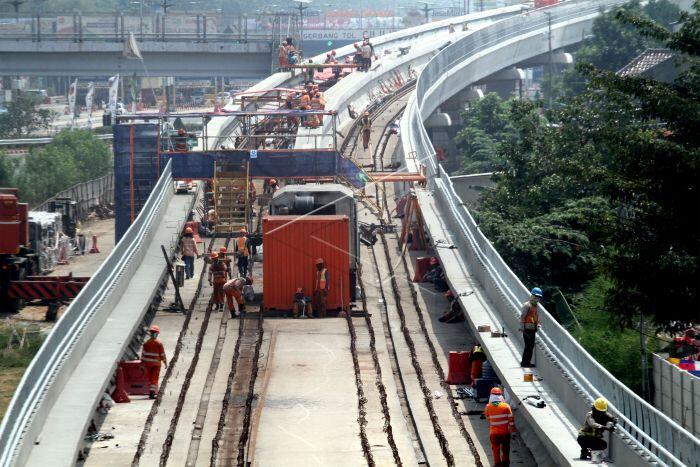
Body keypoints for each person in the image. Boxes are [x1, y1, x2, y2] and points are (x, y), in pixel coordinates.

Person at [484, 387, 516, 466]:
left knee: (495, 449)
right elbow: (511, 421)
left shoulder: (488, 407)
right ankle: (505, 464)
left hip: (494, 433)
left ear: (491, 395)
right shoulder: (506, 406)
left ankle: (497, 464)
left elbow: (488, 420)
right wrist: (513, 432)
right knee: (505, 450)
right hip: (505, 433)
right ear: (501, 395)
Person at [142, 325, 167, 399]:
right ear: (156, 334)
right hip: (156, 365)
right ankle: (152, 394)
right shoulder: (159, 344)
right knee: (154, 379)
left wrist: (142, 364)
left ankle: (151, 393)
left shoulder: (146, 343)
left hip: (148, 364)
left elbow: (143, 355)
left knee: (150, 378)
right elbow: (162, 355)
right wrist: (165, 363)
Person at [520, 287, 542, 368]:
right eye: (536, 297)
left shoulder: (535, 306)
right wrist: (522, 328)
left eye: (539, 297)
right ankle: (524, 363)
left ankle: (527, 362)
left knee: (531, 346)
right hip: (527, 329)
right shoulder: (527, 305)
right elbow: (523, 317)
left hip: (532, 329)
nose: (537, 299)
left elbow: (536, 317)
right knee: (528, 346)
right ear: (532, 296)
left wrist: (538, 324)